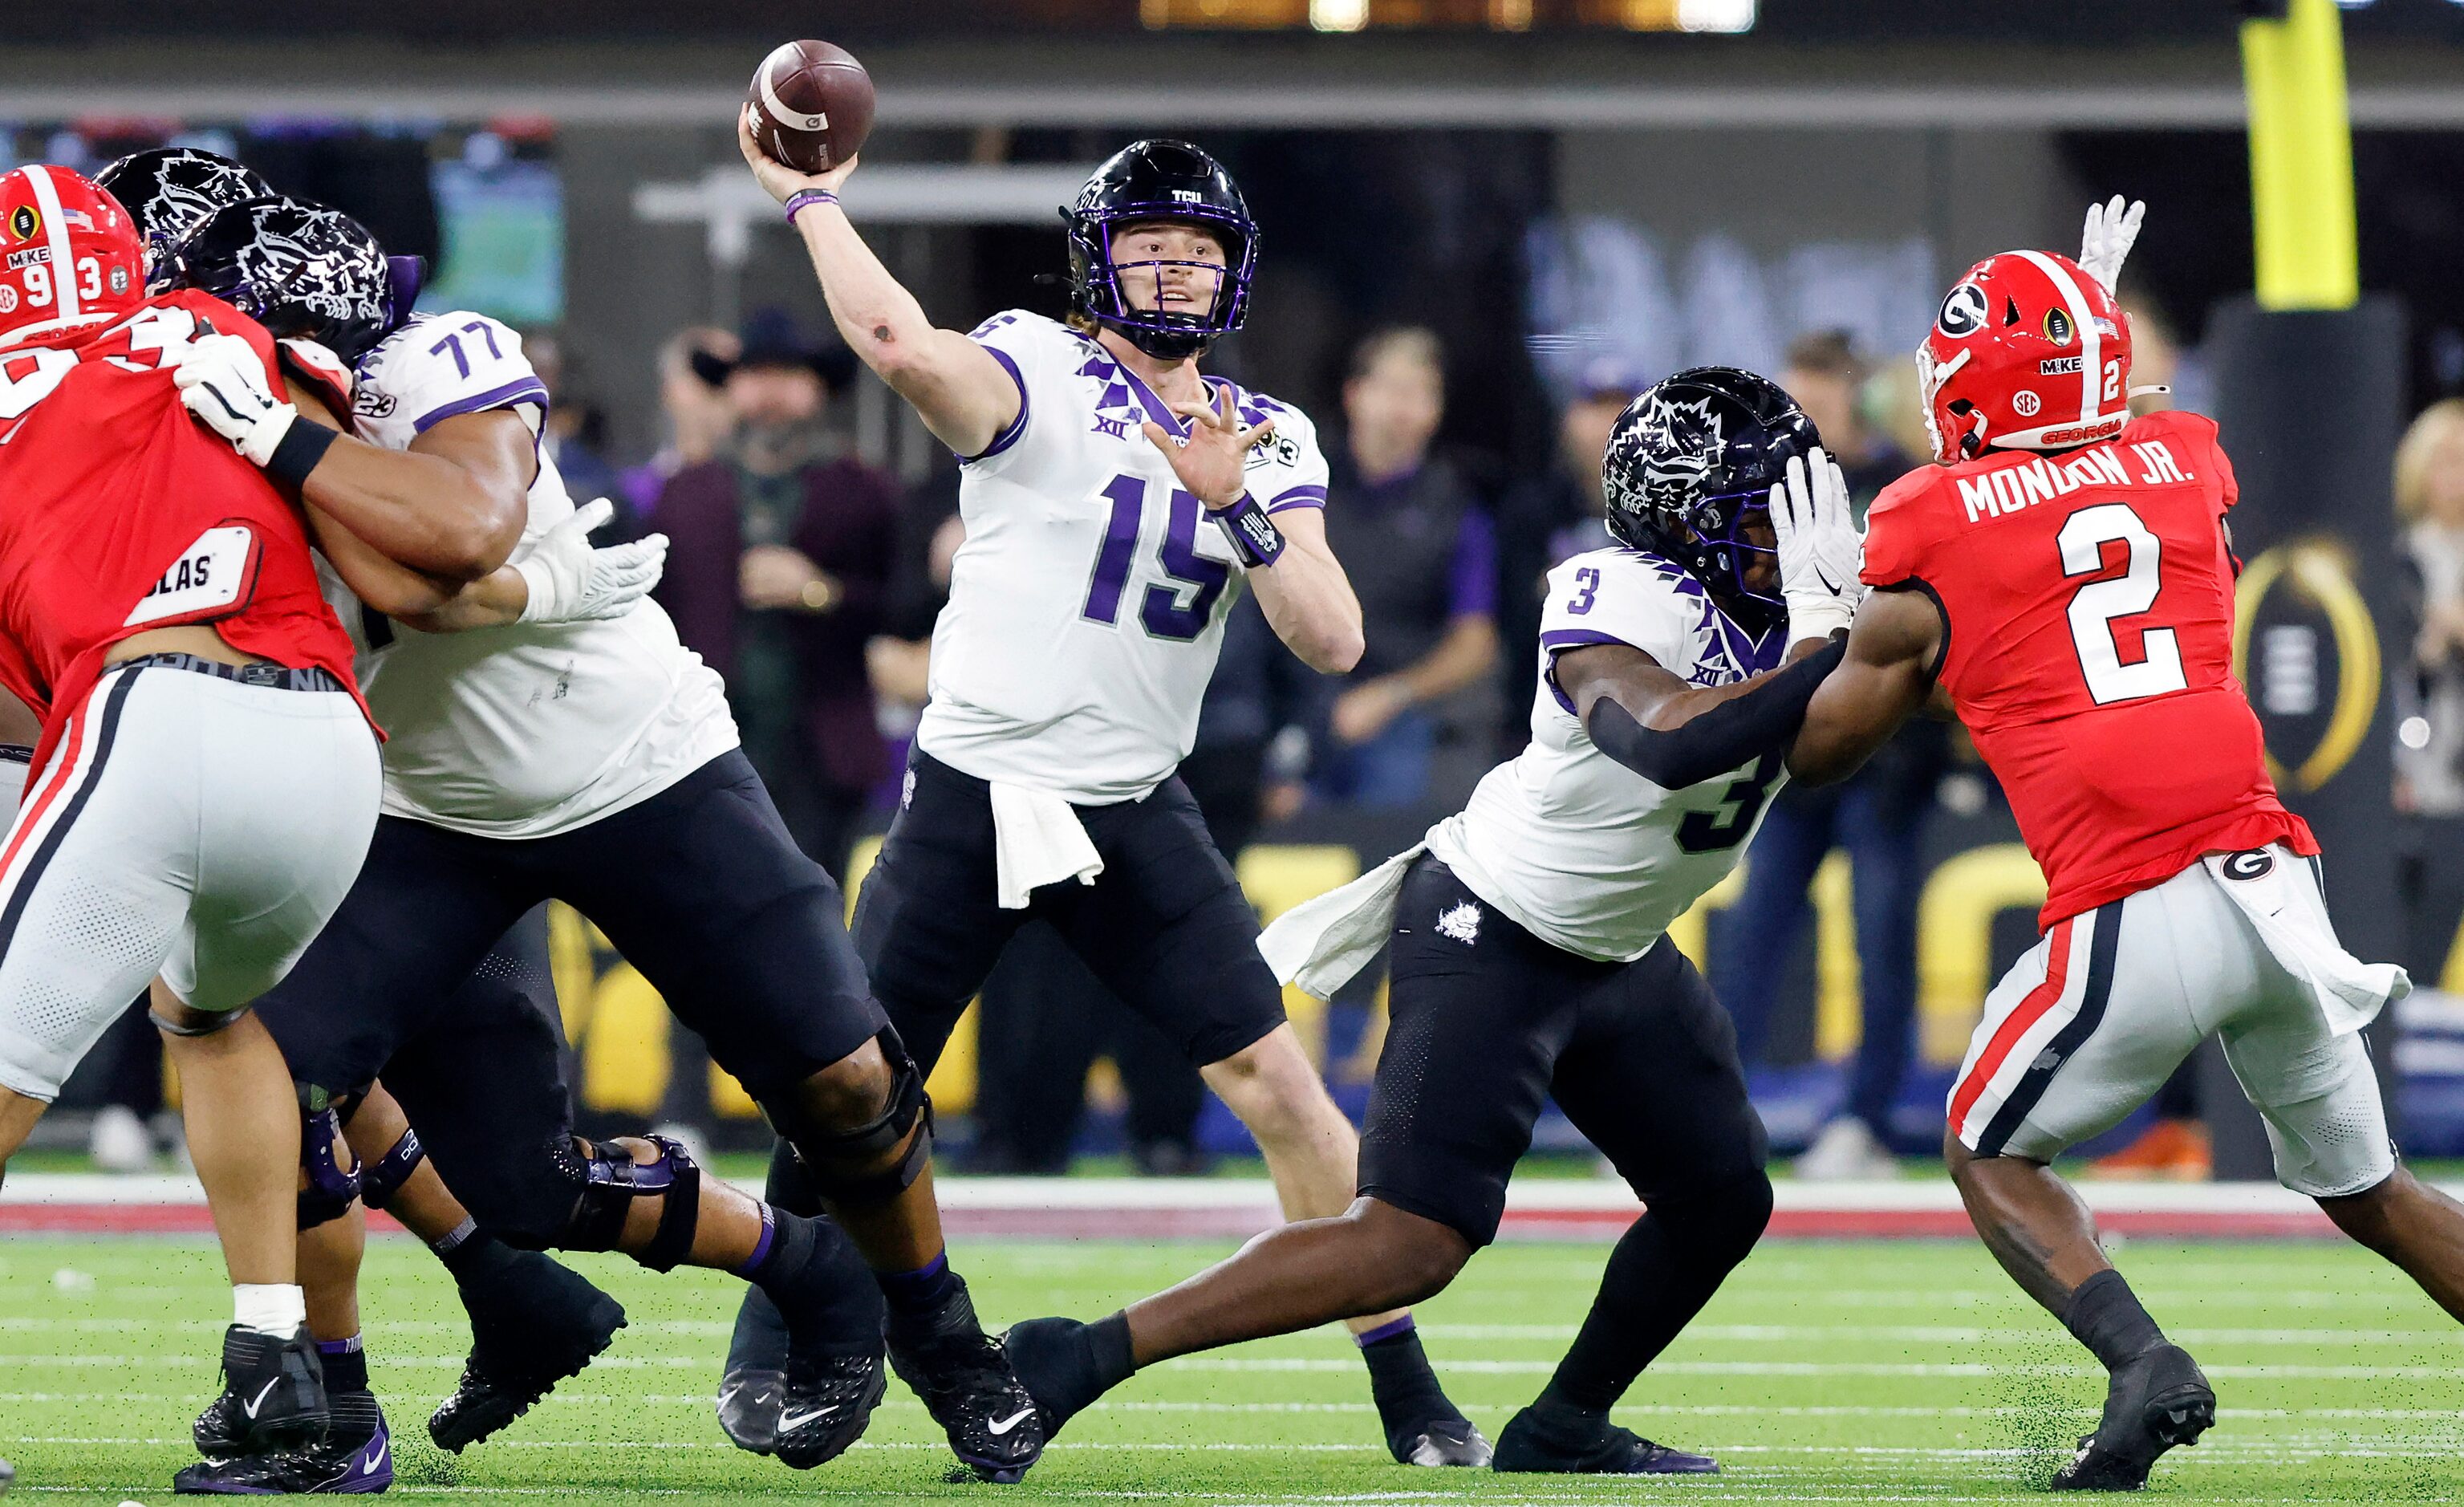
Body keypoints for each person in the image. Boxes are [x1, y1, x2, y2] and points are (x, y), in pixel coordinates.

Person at [149, 191, 1033, 1486]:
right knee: (292, 1084)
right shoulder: (190, 422)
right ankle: (330, 1406)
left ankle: (941, 1332)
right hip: (420, 811)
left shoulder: (433, 356)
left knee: (843, 1077)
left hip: (636, 764)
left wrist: (293, 440)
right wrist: (528, 579)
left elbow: (454, 537)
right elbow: (414, 592)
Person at [1655, 203, 2464, 1491]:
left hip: (2131, 897)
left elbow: (1818, 754)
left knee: (1984, 1146)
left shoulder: (1928, 514)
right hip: (2272, 881)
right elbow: (2109, 483)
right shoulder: (2183, 457)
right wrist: (2079, 343)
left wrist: (1822, 613)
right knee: (2373, 1190)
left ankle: (2141, 1361)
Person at [728, 126, 1484, 1469]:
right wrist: (812, 204)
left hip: (1131, 804)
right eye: (1151, 243)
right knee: (847, 1075)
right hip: (972, 786)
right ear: (1097, 258)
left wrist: (1238, 500)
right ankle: (781, 1327)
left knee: (1284, 1089)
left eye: (1201, 249)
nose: (1178, 269)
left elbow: (1335, 638)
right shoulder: (1036, 361)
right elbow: (901, 347)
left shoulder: (1270, 432)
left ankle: (1400, 1374)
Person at [1005, 368, 1863, 1477]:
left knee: (1719, 1195)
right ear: (1681, 520)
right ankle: (1076, 1356)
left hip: (1616, 946)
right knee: (1408, 1242)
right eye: (1754, 520)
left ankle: (1561, 1425)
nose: (1781, 549)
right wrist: (1822, 641)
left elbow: (1898, 665)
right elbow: (1666, 742)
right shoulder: (1612, 590)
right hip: (1492, 927)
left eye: (1792, 516)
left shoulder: (1807, 604)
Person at [0, 164, 385, 1468]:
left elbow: (25, 700)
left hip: (150, 707)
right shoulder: (204, 331)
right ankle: (276, 1361)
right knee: (209, 1018)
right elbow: (349, 489)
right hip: (329, 744)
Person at [1715, 331, 1937, 1181]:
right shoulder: (1762, 495)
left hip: (1886, 756)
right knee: (1751, 934)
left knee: (1879, 940)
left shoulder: (1905, 483)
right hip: (1791, 749)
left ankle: (1864, 1121)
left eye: (1810, 402)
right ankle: (1699, 1116)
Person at [652, 310, 897, 881]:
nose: (770, 394)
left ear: (817, 390)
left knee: (816, 899)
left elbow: (901, 604)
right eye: (755, 376)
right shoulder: (682, 495)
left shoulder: (863, 492)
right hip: (706, 746)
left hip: (823, 749)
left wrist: (820, 591)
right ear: (730, 388)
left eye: (788, 377)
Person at [1315, 327, 1499, 808]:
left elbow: (1475, 641)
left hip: (1406, 712)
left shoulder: (1457, 510)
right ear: (1355, 394)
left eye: (1422, 394)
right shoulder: (1307, 491)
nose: (1405, 407)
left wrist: (1390, 695)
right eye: (1394, 389)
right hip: (1307, 696)